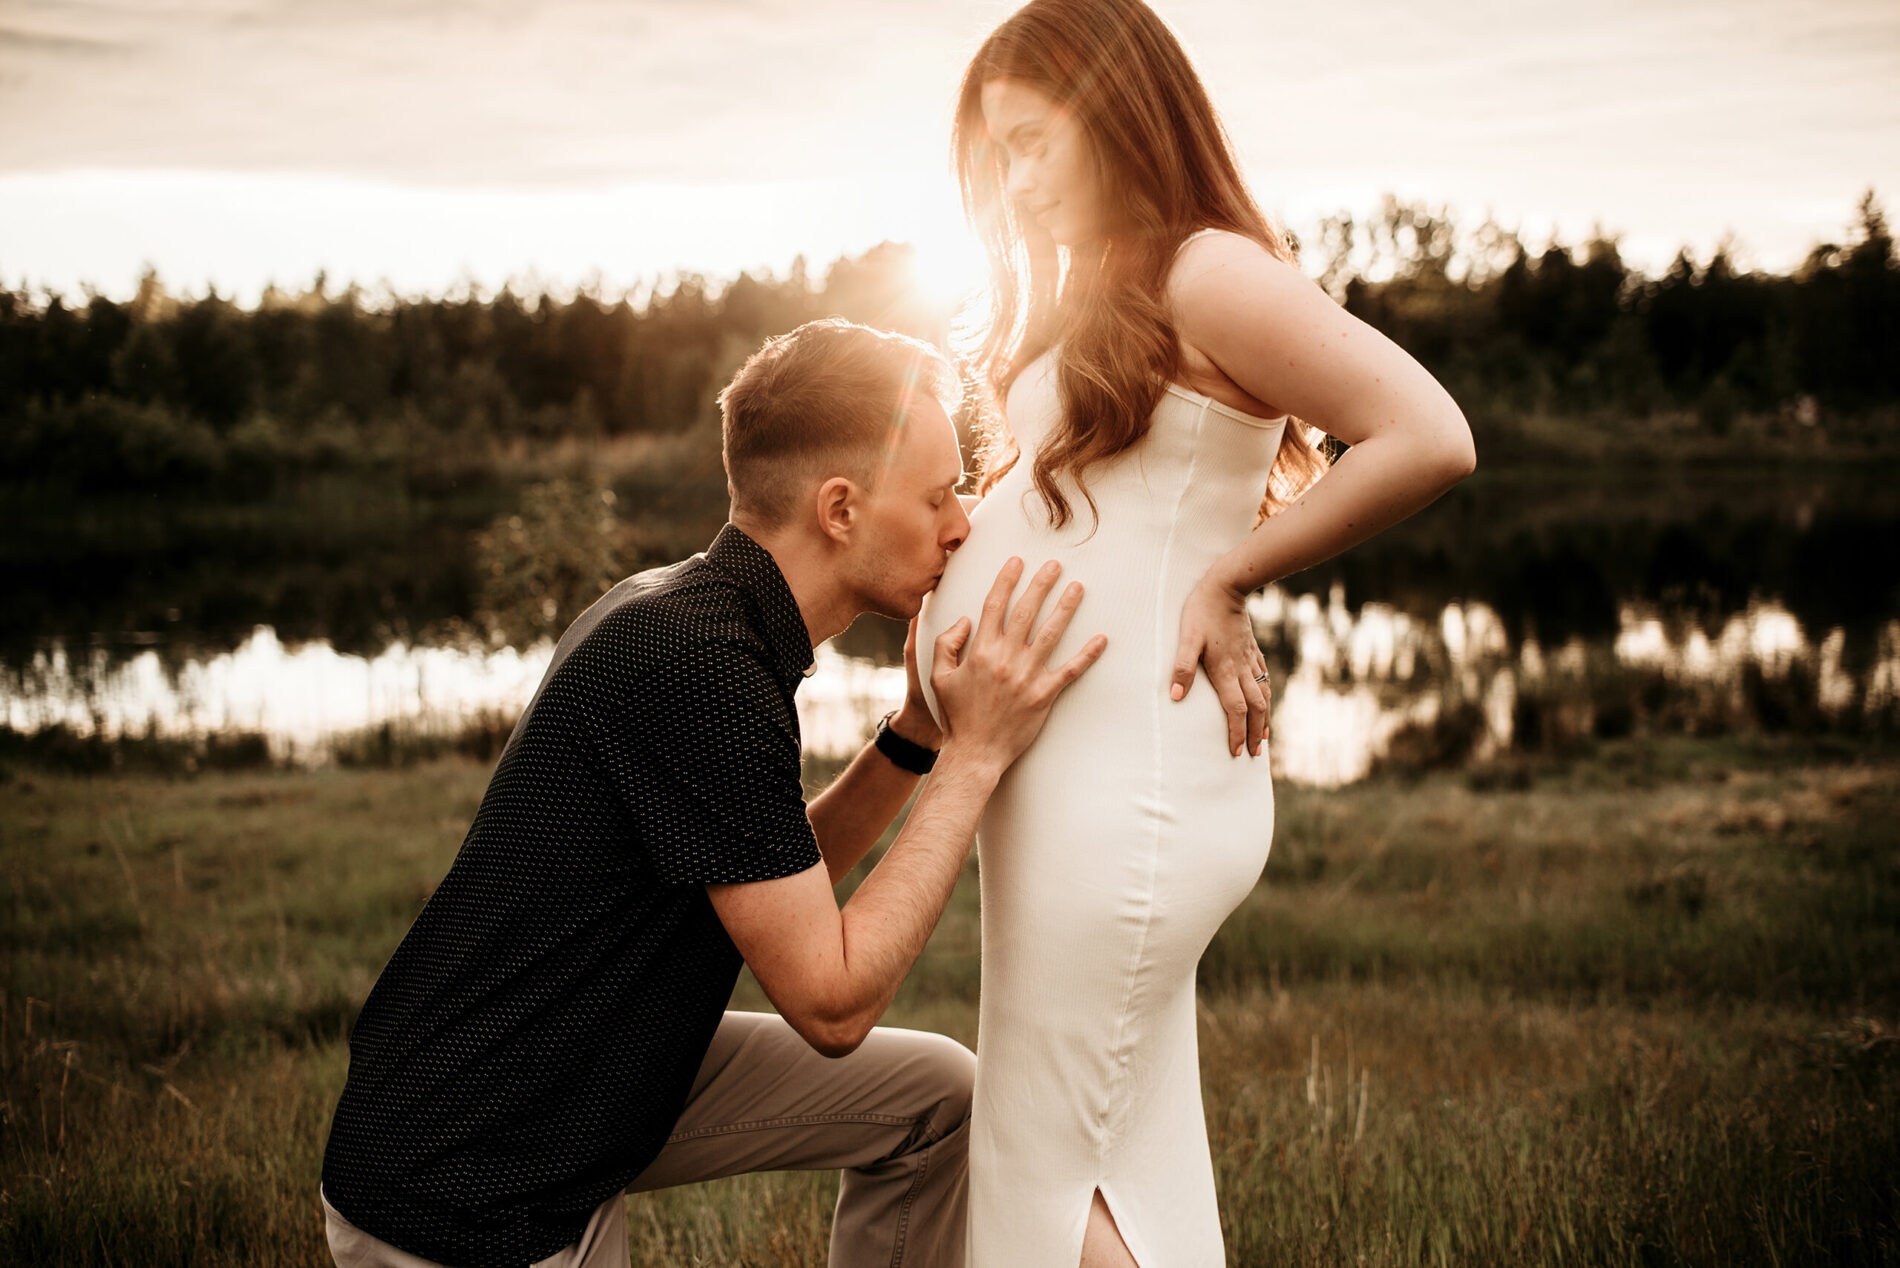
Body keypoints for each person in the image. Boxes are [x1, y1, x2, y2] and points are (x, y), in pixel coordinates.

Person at [319, 318, 1107, 1268]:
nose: (961, 525)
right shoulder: (699, 666)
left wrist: (919, 733)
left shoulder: (691, 615)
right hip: (471, 1179)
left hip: (594, 1069)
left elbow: (764, 871)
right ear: (840, 509)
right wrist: (975, 758)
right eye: (939, 496)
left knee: (934, 1099)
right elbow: (831, 1005)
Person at [915, 2, 1478, 1263]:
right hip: (1071, 787)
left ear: (1118, 113)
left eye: (1032, 140)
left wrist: (1233, 574)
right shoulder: (1108, 283)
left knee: (1049, 1157)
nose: (1015, 181)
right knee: (1104, 1145)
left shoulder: (1204, 270)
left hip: (1132, 792)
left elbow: (1429, 433)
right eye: (998, 155)